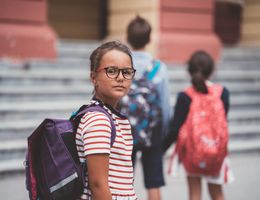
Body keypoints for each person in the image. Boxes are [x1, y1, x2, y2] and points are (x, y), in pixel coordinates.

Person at [162, 50, 235, 200]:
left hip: (192, 152)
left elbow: (175, 128)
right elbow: (223, 121)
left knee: (194, 195)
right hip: (216, 151)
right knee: (217, 194)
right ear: (212, 70)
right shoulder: (223, 93)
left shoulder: (185, 96)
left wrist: (161, 149)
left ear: (189, 71)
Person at [75, 41, 138, 200]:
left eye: (127, 72)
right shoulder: (98, 120)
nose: (120, 78)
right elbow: (98, 185)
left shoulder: (111, 116)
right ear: (93, 77)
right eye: (111, 71)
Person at [126, 16, 172, 200]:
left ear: (127, 38)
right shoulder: (158, 68)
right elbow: (165, 105)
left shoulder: (122, 64)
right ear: (149, 39)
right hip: (152, 130)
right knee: (153, 181)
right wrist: (164, 131)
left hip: (125, 129)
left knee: (122, 180)